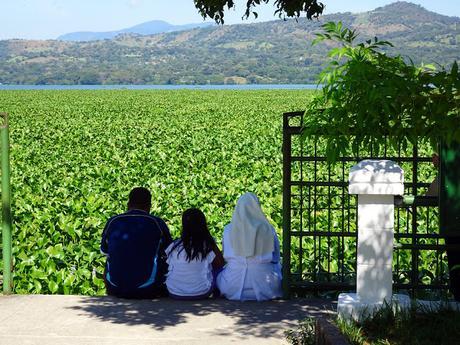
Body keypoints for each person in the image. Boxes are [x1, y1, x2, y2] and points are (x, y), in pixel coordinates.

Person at [100, 187, 172, 298]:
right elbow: (170, 252)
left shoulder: (113, 221)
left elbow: (104, 250)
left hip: (115, 287)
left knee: (110, 258)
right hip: (147, 288)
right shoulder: (157, 223)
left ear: (128, 204)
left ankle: (114, 289)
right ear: (149, 205)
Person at [217, 192, 282, 301]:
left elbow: (225, 256)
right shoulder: (268, 229)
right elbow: (275, 258)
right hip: (267, 287)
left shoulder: (228, 229)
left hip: (232, 285)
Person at [165, 208, 224, 299]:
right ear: (203, 225)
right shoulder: (207, 245)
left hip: (173, 291)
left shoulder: (174, 246)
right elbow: (220, 265)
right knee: (220, 271)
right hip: (202, 291)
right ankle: (217, 293)